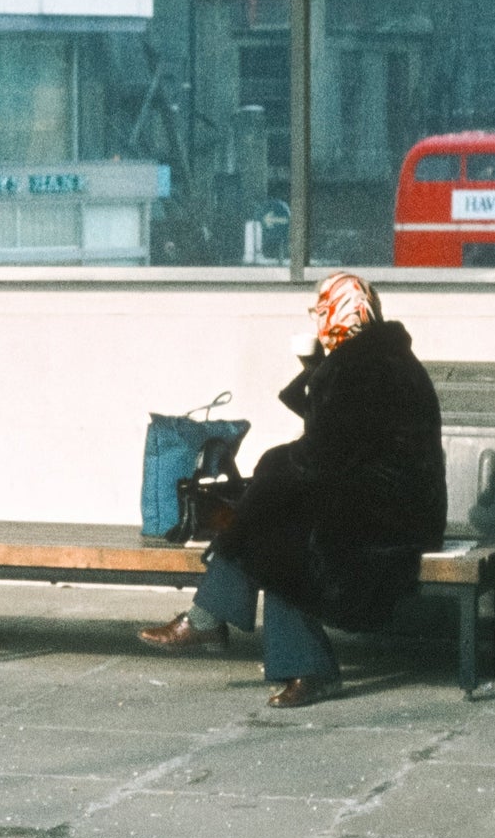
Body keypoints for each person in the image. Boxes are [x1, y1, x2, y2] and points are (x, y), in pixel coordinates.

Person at [139, 272, 447, 707]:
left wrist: (275, 464)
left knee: (278, 511)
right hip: (401, 508)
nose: (318, 320)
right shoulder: (386, 359)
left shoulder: (359, 366)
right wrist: (318, 372)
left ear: (345, 312)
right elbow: (350, 442)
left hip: (389, 519)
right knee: (279, 524)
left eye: (322, 310)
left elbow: (325, 453)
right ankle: (292, 660)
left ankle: (212, 619)